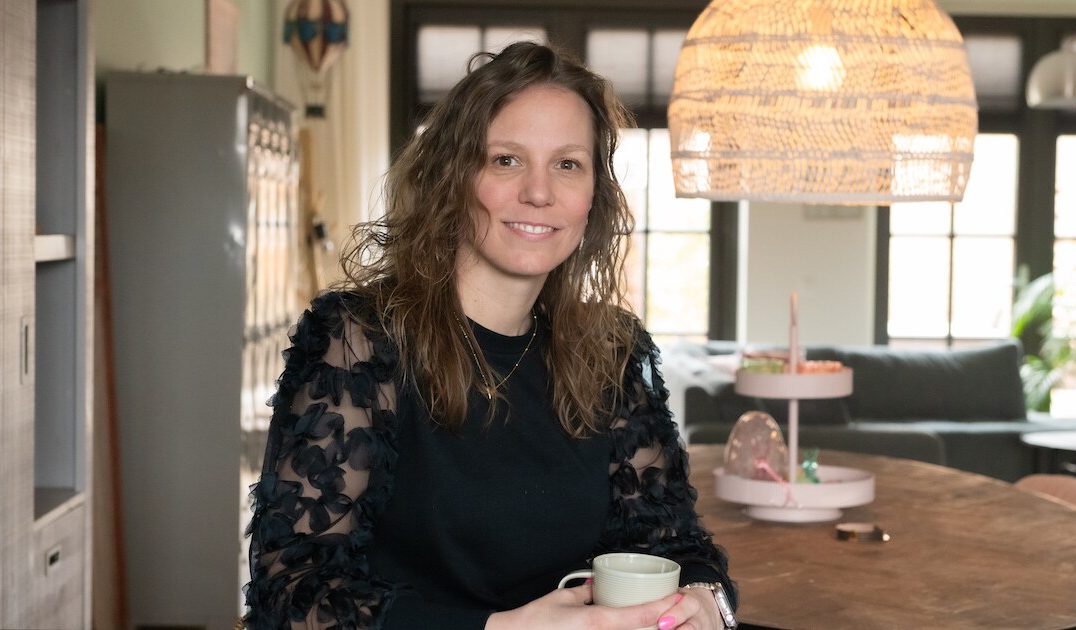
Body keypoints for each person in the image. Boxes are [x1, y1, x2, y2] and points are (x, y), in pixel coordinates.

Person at [243, 41, 737, 630]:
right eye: (506, 160)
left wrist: (706, 603)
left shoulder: (613, 352)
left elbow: (675, 545)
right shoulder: (358, 341)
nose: (539, 192)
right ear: (453, 177)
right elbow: (293, 592)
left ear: (593, 196)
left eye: (568, 164)